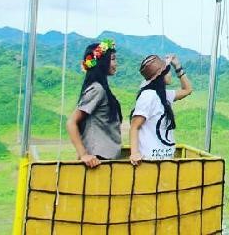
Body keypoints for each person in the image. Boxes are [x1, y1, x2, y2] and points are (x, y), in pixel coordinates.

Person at [65, 39, 123, 168]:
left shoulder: (100, 88)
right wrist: (83, 154)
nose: (116, 63)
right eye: (113, 59)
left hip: (105, 159)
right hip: (97, 160)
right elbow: (71, 122)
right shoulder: (97, 89)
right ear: (102, 62)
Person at [129, 54, 192, 164]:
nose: (170, 74)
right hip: (149, 161)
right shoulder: (148, 96)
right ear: (161, 75)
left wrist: (178, 66)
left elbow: (187, 90)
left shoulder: (164, 95)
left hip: (166, 161)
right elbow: (135, 126)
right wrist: (134, 153)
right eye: (168, 70)